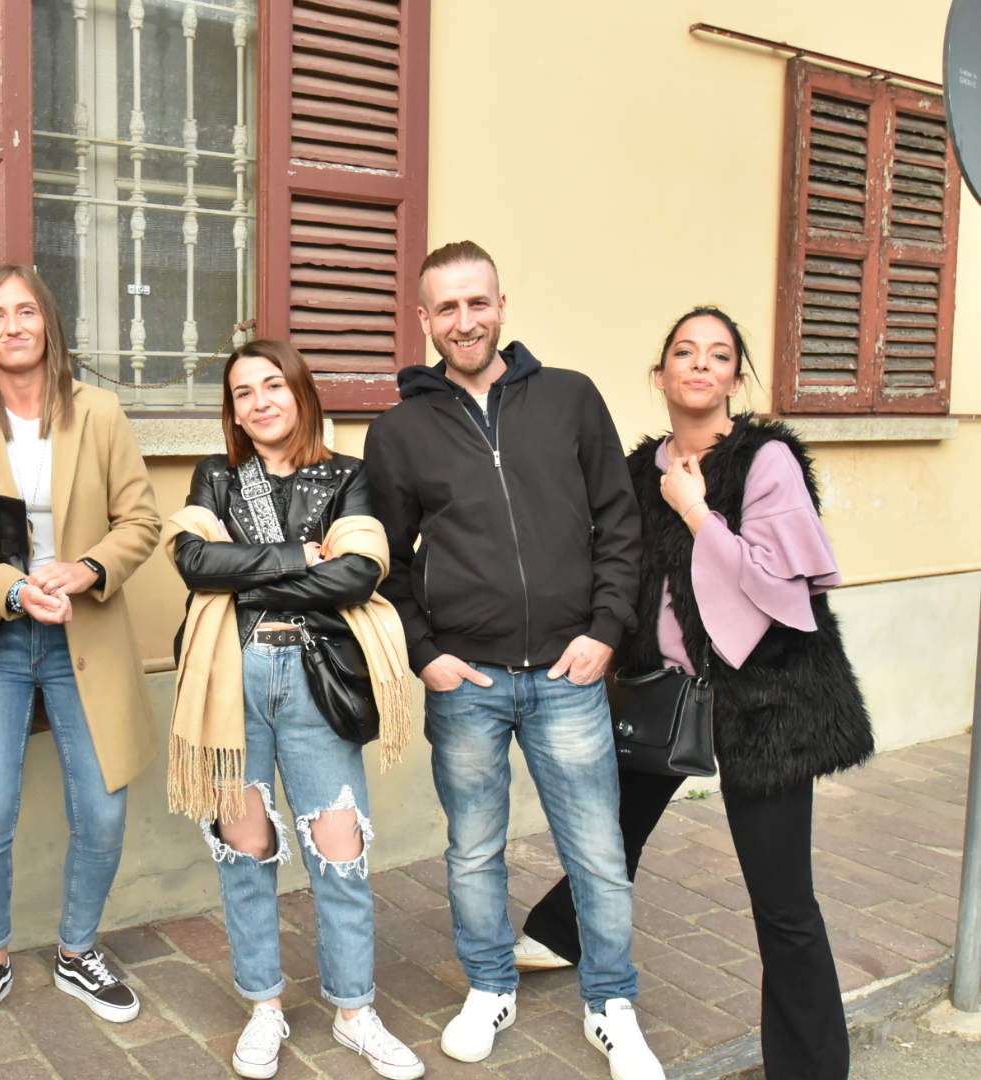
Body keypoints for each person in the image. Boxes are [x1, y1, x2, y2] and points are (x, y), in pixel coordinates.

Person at [515, 308, 873, 1080]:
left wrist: (694, 509)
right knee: (615, 825)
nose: (701, 364)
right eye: (685, 351)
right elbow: (610, 566)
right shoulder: (638, 469)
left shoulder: (765, 461)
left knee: (783, 903)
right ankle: (561, 930)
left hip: (768, 702)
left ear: (736, 379)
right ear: (662, 374)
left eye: (718, 354)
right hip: (666, 693)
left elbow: (780, 589)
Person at [363, 241, 664, 1080]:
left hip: (570, 674)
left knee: (597, 851)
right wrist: (426, 654)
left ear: (502, 306)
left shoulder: (569, 397)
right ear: (424, 320)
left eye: (478, 303)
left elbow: (620, 523)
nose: (465, 321)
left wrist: (605, 631)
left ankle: (611, 1005)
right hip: (468, 682)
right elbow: (385, 558)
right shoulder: (399, 431)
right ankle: (490, 986)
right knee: (473, 850)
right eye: (447, 308)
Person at [166, 340, 425, 1080]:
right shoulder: (217, 476)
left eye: (273, 385)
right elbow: (191, 562)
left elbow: (358, 575)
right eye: (243, 393)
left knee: (340, 850)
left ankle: (354, 1012)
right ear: (233, 410)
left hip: (317, 677)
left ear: (301, 391)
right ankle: (264, 1006)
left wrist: (242, 574)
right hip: (229, 678)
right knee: (245, 850)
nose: (260, 403)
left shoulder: (348, 475)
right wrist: (299, 557)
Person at [0, 264, 161, 1038]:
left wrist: (87, 568)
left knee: (102, 809)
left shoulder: (99, 412)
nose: (13, 326)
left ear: (49, 324)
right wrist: (18, 590)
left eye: (26, 311)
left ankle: (77, 951)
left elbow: (140, 521)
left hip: (84, 633)